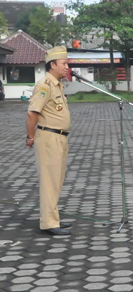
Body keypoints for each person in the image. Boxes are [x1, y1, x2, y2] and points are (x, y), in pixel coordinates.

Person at [26, 46, 73, 236]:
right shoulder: (45, 85)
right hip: (48, 138)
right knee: (49, 181)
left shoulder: (57, 85)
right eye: (63, 63)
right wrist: (30, 137)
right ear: (52, 65)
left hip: (59, 137)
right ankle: (49, 223)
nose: (67, 67)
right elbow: (32, 113)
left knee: (56, 180)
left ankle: (54, 218)